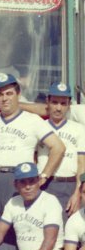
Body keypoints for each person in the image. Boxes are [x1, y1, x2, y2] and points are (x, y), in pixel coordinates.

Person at [0, 74, 65, 248]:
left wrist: (44, 175)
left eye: (9, 93)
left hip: (16, 180)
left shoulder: (32, 121)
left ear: (18, 94)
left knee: (17, 226)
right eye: (0, 94)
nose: (4, 98)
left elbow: (58, 147)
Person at [37, 82, 85, 222]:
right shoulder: (39, 126)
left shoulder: (79, 130)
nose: (58, 108)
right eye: (55, 102)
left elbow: (81, 163)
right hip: (43, 185)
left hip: (68, 186)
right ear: (48, 102)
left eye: (63, 103)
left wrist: (77, 193)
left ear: (69, 104)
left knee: (65, 230)